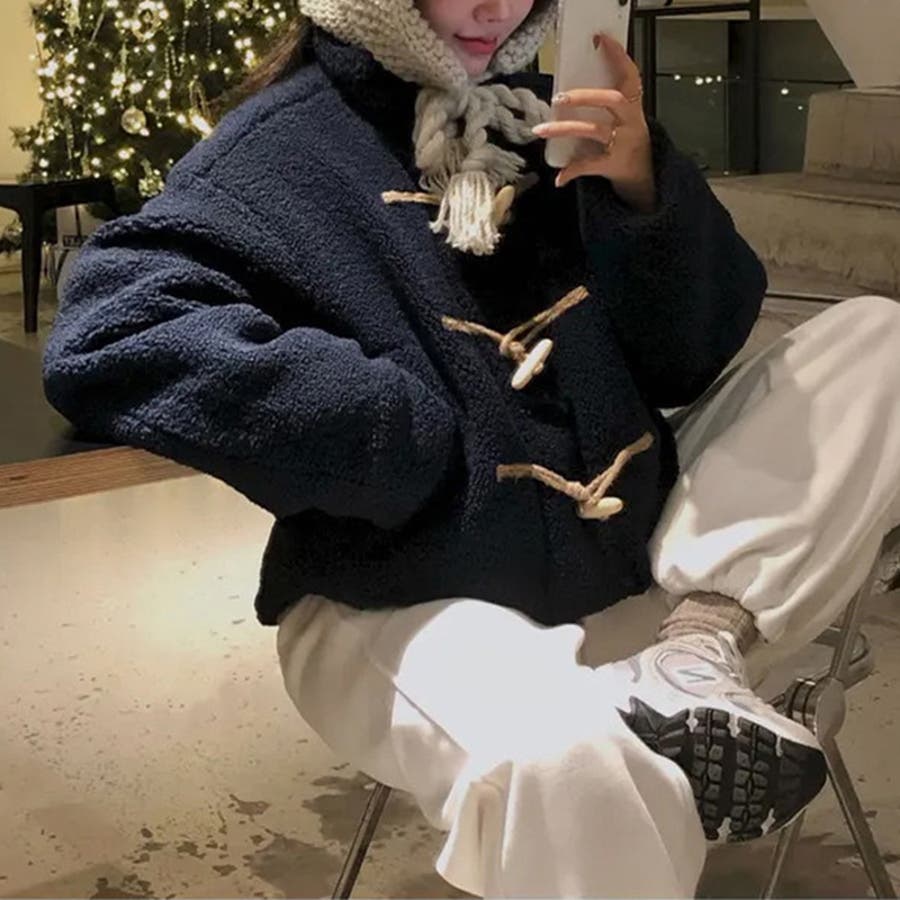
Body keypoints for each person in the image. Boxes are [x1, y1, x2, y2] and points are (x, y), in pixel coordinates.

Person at [43, 0, 900, 896]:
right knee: (569, 763)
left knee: (875, 342)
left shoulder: (560, 122)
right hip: (404, 594)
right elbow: (114, 325)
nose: (501, 5)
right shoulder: (273, 150)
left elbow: (685, 359)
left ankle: (695, 653)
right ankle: (639, 705)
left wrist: (644, 192)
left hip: (636, 565)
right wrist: (396, 437)